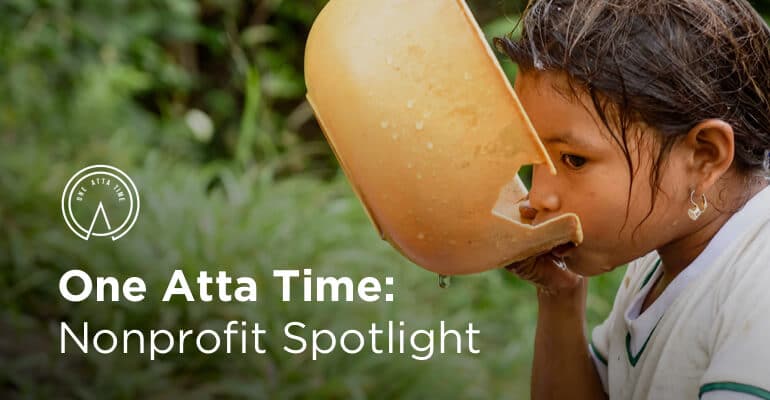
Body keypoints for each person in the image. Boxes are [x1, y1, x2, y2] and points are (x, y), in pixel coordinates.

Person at [494, 0, 770, 399]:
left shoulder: (759, 290)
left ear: (705, 156)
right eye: (536, 159)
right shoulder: (658, 260)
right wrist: (560, 295)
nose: (539, 197)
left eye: (574, 159)